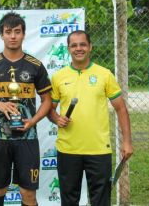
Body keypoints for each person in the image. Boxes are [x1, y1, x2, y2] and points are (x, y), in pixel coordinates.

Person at [47, 30, 133, 206]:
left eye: (83, 44)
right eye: (74, 45)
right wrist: (56, 118)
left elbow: (121, 109)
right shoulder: (58, 77)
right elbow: (49, 109)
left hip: (99, 149)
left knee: (100, 200)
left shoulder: (104, 74)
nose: (79, 48)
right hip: (68, 149)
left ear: (90, 47)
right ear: (68, 49)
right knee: (69, 200)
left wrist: (127, 142)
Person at [0, 12, 52, 206]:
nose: (13, 36)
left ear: (24, 34)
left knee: (28, 193)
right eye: (8, 32)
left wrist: (32, 121)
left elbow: (47, 101)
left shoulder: (36, 66)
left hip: (27, 138)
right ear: (1, 35)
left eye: (17, 31)